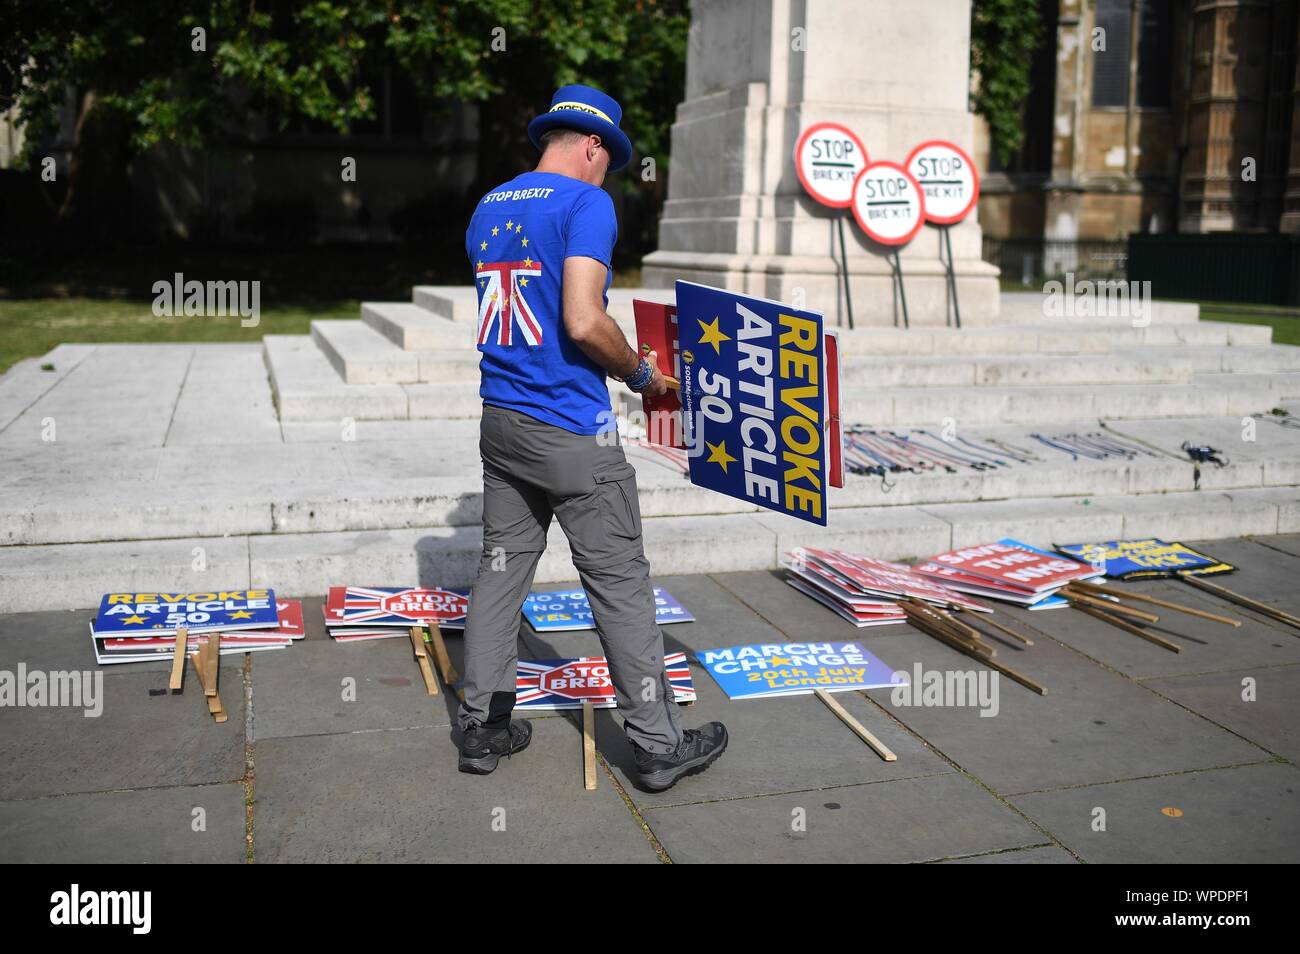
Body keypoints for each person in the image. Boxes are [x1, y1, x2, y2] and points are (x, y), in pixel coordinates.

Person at [456, 85, 727, 792]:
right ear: (592, 145)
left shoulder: (490, 205)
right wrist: (643, 373)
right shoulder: (586, 203)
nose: (609, 172)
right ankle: (658, 745)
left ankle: (482, 726)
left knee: (498, 570)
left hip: (501, 421)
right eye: (610, 158)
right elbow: (581, 319)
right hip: (572, 428)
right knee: (621, 586)